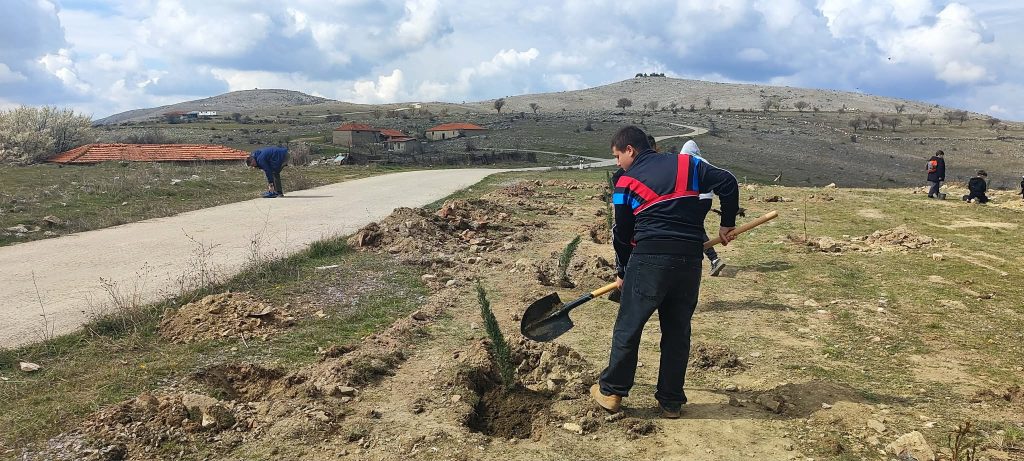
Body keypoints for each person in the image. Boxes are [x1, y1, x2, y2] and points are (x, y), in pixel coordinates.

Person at [591, 126, 739, 419]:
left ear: (630, 150)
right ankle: (671, 400)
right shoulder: (688, 164)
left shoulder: (625, 183)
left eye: (617, 156)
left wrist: (622, 270)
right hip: (688, 261)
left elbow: (622, 234)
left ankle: (611, 392)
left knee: (629, 326)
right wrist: (727, 223)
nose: (617, 163)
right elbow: (728, 181)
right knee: (677, 330)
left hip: (649, 259)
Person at [680, 140, 726, 276]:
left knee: (693, 228)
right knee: (694, 228)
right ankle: (710, 259)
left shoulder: (689, 162)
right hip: (706, 199)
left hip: (695, 198)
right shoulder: (704, 162)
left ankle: (714, 259)